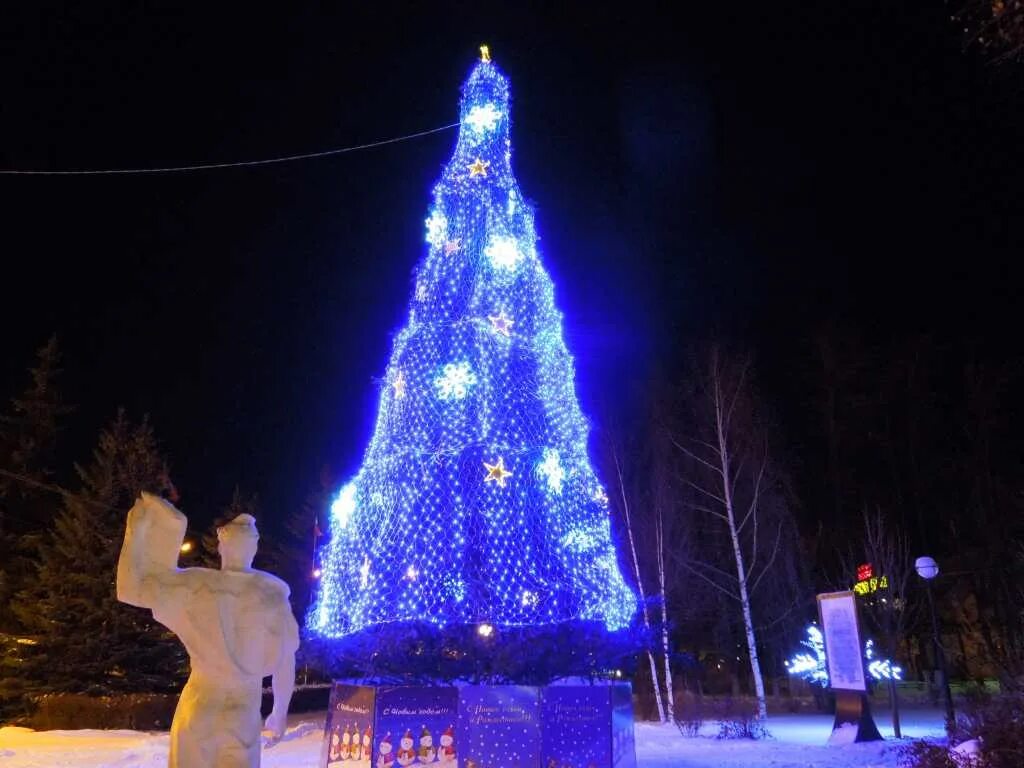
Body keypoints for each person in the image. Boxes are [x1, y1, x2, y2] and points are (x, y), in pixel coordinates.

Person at [117, 492, 299, 768]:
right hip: (241, 715)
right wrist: (280, 711)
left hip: (200, 708)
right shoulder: (271, 598)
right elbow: (285, 663)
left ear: (221, 547)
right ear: (253, 550)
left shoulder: (194, 587)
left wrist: (136, 532)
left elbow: (130, 590)